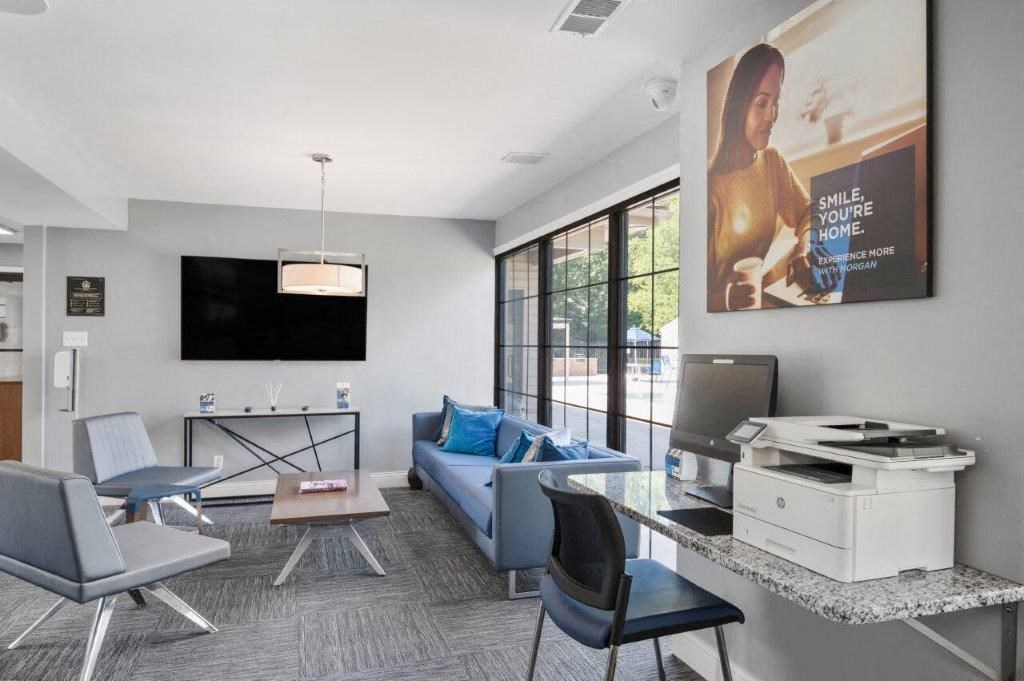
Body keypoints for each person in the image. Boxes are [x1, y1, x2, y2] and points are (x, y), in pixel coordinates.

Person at [707, 43, 836, 311]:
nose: (771, 115)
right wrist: (726, 299)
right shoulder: (711, 187)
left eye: (775, 101)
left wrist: (806, 246)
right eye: (761, 103)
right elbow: (696, 295)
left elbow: (809, 212)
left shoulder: (772, 161)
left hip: (764, 305)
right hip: (730, 318)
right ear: (738, 107)